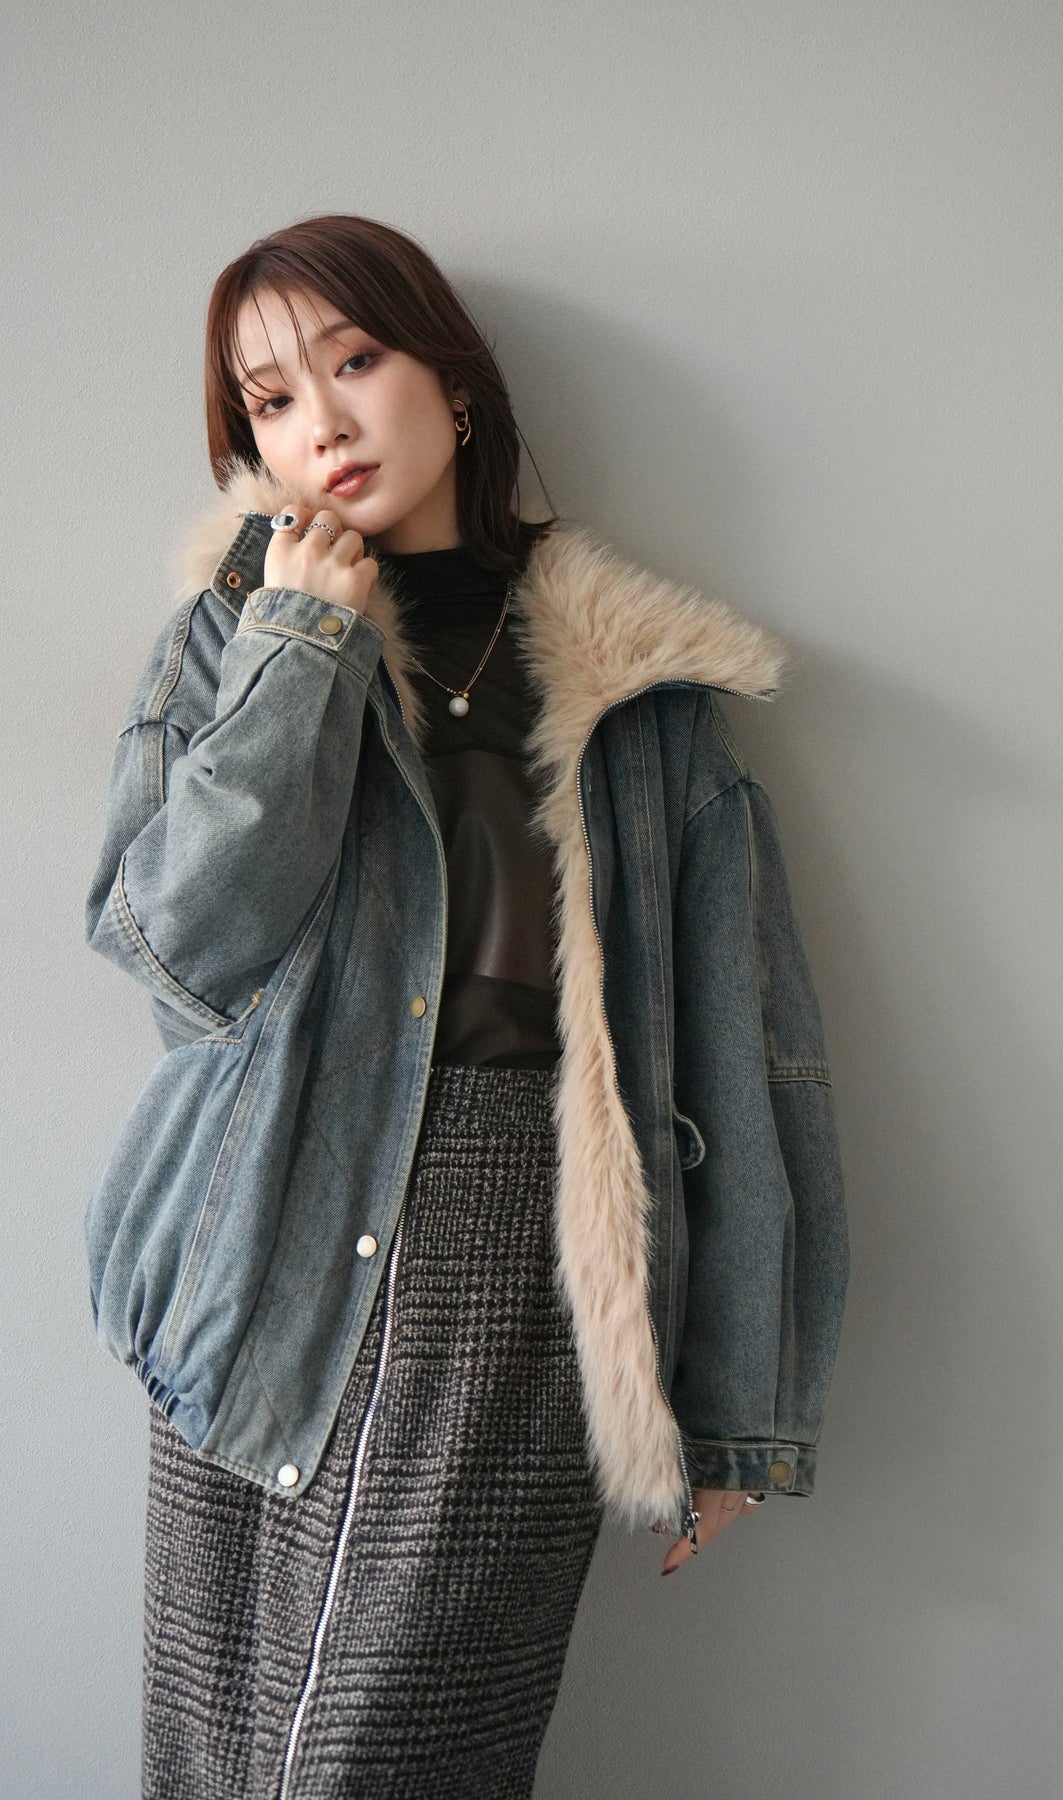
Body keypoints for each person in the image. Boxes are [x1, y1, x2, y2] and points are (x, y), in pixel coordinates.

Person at [82, 212, 850, 1798]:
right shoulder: (231, 631)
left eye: (355, 360)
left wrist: (738, 1398)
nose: (322, 422)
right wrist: (298, 646)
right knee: (214, 1759)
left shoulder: (638, 694)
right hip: (259, 1227)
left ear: (455, 378)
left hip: (522, 1236)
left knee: (393, 1753)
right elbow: (176, 952)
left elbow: (744, 1051)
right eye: (271, 400)